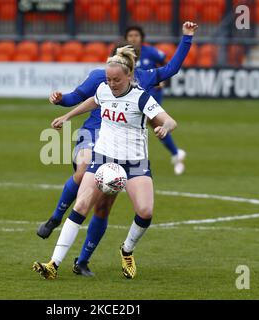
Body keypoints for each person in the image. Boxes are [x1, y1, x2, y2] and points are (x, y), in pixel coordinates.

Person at [37, 21, 198, 245]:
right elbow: (77, 96)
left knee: (102, 207)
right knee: (84, 169)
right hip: (93, 133)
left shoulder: (144, 77)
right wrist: (61, 100)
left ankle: (83, 260)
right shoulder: (98, 76)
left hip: (123, 146)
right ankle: (55, 217)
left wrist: (187, 36)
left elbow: (171, 69)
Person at [33, 45, 178, 280]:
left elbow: (169, 120)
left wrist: (164, 127)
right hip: (102, 158)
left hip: (134, 163)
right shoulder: (104, 89)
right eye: (109, 79)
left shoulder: (141, 97)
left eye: (117, 80)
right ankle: (53, 263)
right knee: (81, 205)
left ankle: (127, 249)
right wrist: (67, 116)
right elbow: (93, 101)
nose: (112, 84)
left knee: (145, 211)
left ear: (130, 76)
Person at [125, 25, 186, 175]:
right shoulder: (123, 55)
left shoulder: (151, 52)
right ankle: (176, 153)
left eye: (136, 35)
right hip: (131, 97)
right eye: (130, 35)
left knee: (141, 124)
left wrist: (161, 80)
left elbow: (166, 64)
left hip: (151, 94)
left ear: (142, 37)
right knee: (155, 125)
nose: (133, 38)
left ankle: (132, 163)